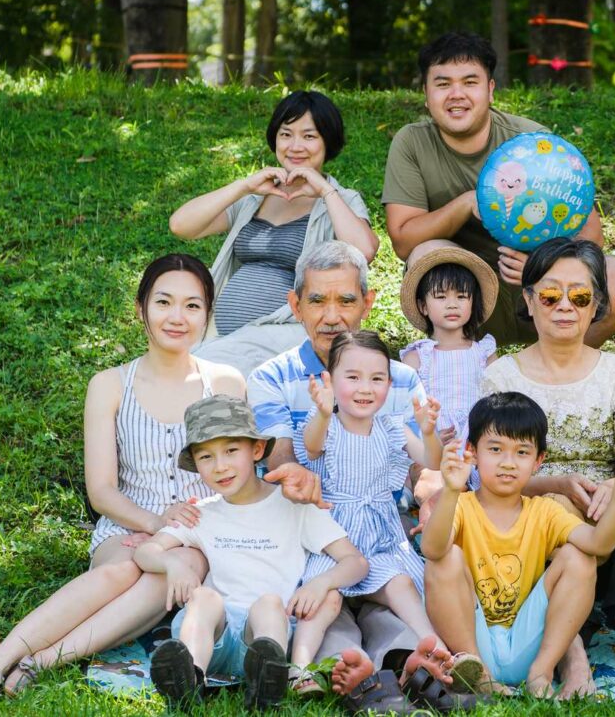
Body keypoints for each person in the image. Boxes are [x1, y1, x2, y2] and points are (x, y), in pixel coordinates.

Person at [0, 255, 322, 695]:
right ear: (141, 308)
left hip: (200, 530)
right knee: (121, 572)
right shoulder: (110, 384)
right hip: (128, 522)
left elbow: (243, 465)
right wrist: (152, 523)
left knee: (168, 569)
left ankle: (42, 661)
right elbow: (101, 490)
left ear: (207, 314)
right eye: (163, 302)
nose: (177, 317)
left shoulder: (225, 382)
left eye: (192, 306)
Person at [479, 238, 615, 704]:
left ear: (596, 305)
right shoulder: (501, 377)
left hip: (602, 507)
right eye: (550, 295)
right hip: (529, 505)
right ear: (528, 299)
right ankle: (571, 654)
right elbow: (492, 473)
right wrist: (555, 486)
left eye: (579, 296)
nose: (565, 307)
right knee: (544, 514)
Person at [382, 31, 615, 348]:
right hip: (469, 297)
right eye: (443, 84)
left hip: (545, 291)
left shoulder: (534, 144)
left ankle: (564, 365)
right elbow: (405, 242)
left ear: (490, 90)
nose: (456, 95)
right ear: (426, 93)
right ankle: (462, 364)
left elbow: (592, 236)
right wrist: (468, 203)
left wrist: (542, 266)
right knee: (427, 254)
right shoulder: (412, 142)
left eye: (470, 82)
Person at [245, 240, 428, 673]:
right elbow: (282, 458)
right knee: (325, 605)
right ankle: (345, 669)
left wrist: (432, 491)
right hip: (313, 527)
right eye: (317, 301)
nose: (331, 316)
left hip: (384, 525)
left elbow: (421, 465)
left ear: (367, 302)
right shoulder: (272, 377)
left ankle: (408, 662)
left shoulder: (399, 379)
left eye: (345, 300)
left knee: (397, 596)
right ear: (296, 306)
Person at [422, 392, 615, 698]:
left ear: (539, 460)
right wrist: (450, 490)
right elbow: (432, 551)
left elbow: (598, 544)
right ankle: (481, 677)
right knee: (447, 557)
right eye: (495, 449)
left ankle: (541, 673)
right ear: (471, 451)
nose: (508, 463)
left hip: (528, 640)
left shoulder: (544, 511)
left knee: (580, 557)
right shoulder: (460, 506)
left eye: (522, 452)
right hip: (471, 643)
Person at [137, 395, 369, 709]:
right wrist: (172, 564)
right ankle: (190, 678)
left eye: (231, 451)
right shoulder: (201, 513)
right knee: (203, 598)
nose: (220, 467)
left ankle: (266, 683)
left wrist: (321, 582)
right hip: (213, 635)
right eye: (206, 457)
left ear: (257, 450)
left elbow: (355, 562)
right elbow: (146, 551)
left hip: (268, 632)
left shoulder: (293, 506)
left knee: (270, 604)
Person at [170, 90, 379, 376]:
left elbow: (364, 251)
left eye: (309, 136)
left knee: (193, 371)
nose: (295, 146)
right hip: (226, 336)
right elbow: (181, 225)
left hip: (289, 331)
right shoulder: (255, 198)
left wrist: (324, 190)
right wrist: (244, 186)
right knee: (181, 371)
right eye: (286, 134)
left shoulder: (341, 199)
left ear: (327, 141)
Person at [292, 331, 445, 688]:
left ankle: (437, 648)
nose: (365, 388)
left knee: (402, 584)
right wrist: (322, 410)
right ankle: (298, 670)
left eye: (377, 379)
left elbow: (433, 460)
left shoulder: (391, 427)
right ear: (331, 380)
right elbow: (311, 447)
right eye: (353, 377)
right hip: (335, 540)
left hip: (380, 539)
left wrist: (428, 431)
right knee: (326, 599)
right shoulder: (326, 425)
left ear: (390, 385)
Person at [398, 239, 500, 447]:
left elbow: (499, 404)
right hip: (432, 448)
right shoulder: (416, 358)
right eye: (441, 296)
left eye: (461, 296)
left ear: (473, 302)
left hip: (480, 444)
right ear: (423, 306)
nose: (452, 304)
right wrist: (428, 439)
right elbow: (403, 413)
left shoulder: (484, 353)